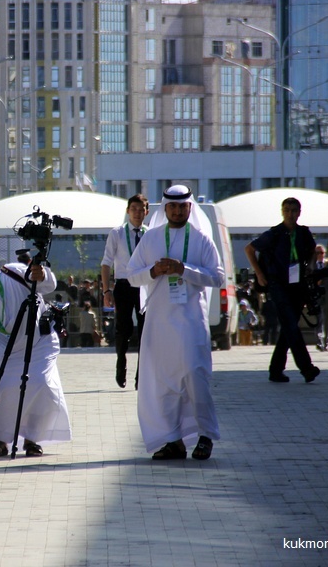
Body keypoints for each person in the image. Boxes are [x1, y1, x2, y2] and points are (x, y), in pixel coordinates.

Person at [128, 185, 223, 461]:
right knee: (164, 382)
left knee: (196, 378)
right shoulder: (150, 238)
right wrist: (153, 271)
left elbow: (217, 277)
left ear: (190, 208)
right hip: (159, 323)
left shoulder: (202, 239)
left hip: (191, 321)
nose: (178, 211)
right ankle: (173, 441)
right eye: (173, 206)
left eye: (183, 206)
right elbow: (131, 275)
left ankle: (206, 436)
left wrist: (184, 269)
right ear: (164, 209)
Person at [0, 258, 72, 458]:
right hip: (4, 352)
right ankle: (0, 440)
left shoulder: (15, 272)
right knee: (1, 388)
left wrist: (43, 274)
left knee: (40, 383)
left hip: (38, 343)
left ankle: (32, 440)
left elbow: (49, 285)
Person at [245, 197, 321, 384]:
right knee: (291, 326)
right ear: (282, 211)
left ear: (299, 212)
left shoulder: (304, 233)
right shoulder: (274, 233)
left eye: (294, 210)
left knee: (288, 328)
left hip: (298, 286)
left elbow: (313, 251)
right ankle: (307, 368)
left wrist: (311, 265)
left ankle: (275, 370)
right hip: (278, 285)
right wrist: (259, 273)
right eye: (286, 210)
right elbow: (249, 249)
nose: (290, 213)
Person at [100, 193, 149, 389]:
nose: (137, 213)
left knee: (146, 330)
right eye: (134, 209)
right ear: (128, 211)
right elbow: (106, 263)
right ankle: (121, 362)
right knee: (123, 328)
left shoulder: (150, 234)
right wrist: (106, 291)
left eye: (141, 209)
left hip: (145, 285)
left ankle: (142, 374)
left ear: (147, 212)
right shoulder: (117, 233)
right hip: (124, 284)